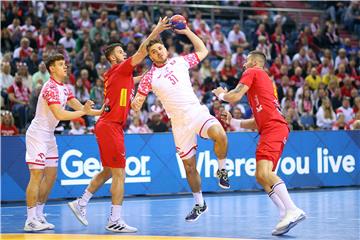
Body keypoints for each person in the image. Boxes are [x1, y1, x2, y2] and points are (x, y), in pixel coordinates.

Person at [68, 17, 171, 233]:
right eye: (121, 51)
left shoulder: (120, 74)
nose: (124, 53)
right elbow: (143, 50)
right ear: (113, 57)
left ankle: (81, 203)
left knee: (107, 171)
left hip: (109, 125)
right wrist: (157, 29)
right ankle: (114, 219)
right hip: (110, 125)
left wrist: (155, 72)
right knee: (119, 174)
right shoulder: (120, 68)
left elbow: (135, 79)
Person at [131, 26, 229, 222]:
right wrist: (132, 101)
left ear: (165, 49)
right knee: (190, 168)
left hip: (196, 112)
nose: (158, 52)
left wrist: (187, 31)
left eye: (159, 48)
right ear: (150, 56)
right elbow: (136, 105)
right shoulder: (148, 78)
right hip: (179, 124)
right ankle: (200, 204)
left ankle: (222, 169)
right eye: (153, 51)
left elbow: (203, 51)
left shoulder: (180, 61)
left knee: (220, 135)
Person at [212, 50, 305, 236]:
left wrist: (222, 94)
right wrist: (233, 122)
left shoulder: (253, 72)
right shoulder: (266, 85)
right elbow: (257, 121)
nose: (244, 65)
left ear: (255, 62)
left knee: (264, 173)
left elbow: (234, 96)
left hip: (273, 129)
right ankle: (283, 213)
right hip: (272, 128)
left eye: (246, 61)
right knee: (261, 176)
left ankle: (292, 209)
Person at [24, 53, 103, 232]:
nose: (65, 67)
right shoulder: (49, 87)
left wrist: (101, 111)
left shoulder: (65, 88)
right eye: (61, 64)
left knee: (51, 175)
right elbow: (60, 114)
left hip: (49, 135)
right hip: (37, 134)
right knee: (36, 176)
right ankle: (30, 219)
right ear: (52, 68)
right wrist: (83, 112)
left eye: (65, 64)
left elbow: (79, 107)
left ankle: (39, 214)